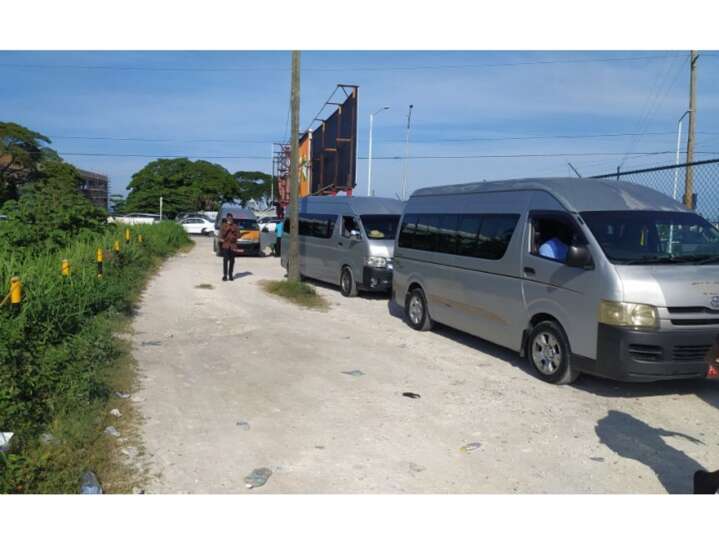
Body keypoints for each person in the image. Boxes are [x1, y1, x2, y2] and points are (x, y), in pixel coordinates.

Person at [219, 213, 238, 281]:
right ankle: (225, 275)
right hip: (226, 245)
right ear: (227, 219)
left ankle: (230, 275)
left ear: (232, 219)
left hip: (233, 245)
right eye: (229, 218)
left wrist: (233, 231)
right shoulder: (223, 226)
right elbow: (221, 236)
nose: (230, 219)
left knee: (232, 261)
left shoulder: (235, 226)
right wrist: (227, 229)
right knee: (225, 260)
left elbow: (238, 235)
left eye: (231, 218)